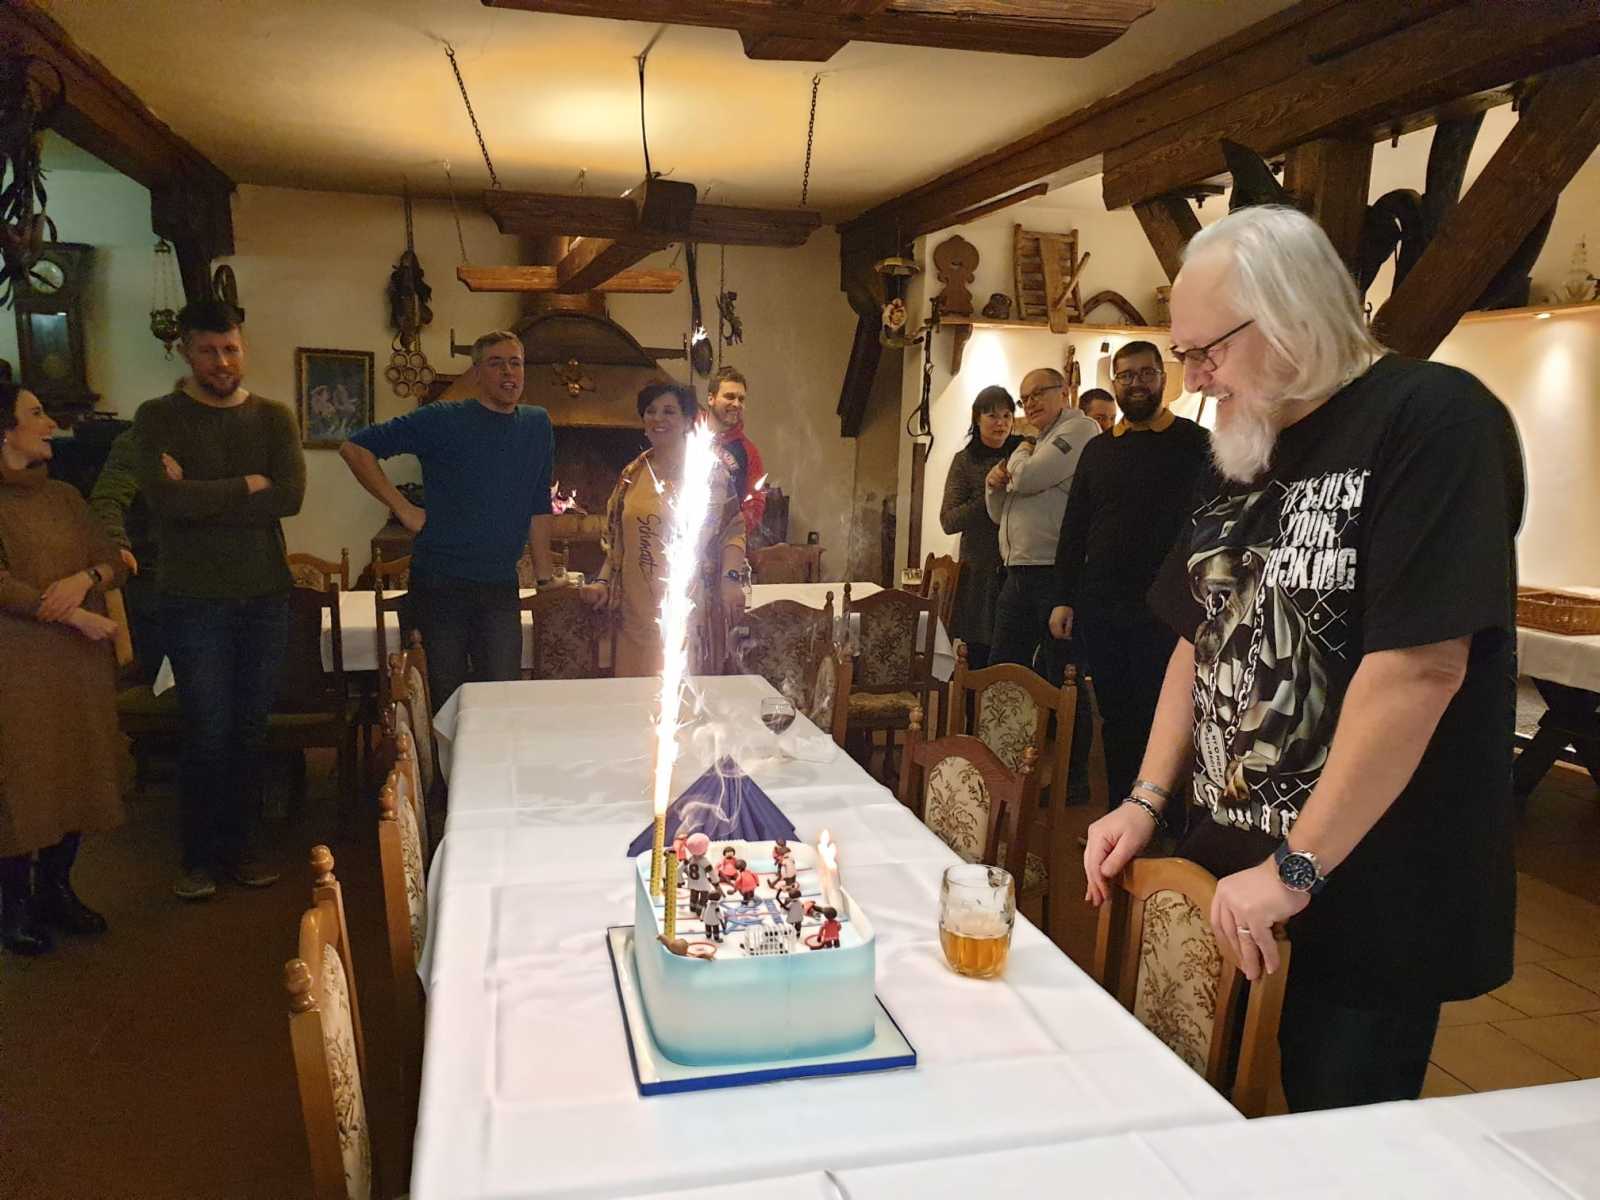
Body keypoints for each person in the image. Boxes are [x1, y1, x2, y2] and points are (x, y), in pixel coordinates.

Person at [1082, 205, 1521, 1112]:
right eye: (1184, 354)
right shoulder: (1243, 443)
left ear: (1292, 311)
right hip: (1227, 871)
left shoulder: (1433, 419)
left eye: (1208, 351)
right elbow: (1195, 636)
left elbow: (1421, 669)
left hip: (1366, 891)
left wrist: (1296, 866)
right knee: (1201, 1114)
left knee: (1336, 1136)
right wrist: (1145, 798)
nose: (1195, 381)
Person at [134, 300, 306, 900]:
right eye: (208, 350)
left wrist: (200, 494)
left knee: (250, 730)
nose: (222, 361)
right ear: (186, 351)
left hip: (265, 596)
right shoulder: (158, 416)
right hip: (192, 599)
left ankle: (243, 849)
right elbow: (162, 502)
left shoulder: (274, 418)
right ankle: (198, 858)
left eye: (230, 348)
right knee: (206, 729)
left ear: (243, 348)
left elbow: (289, 498)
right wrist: (246, 486)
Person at [341, 330, 559, 709]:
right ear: (476, 373)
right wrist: (403, 509)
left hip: (499, 587)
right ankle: (443, 753)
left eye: (515, 363)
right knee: (444, 699)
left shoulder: (536, 424)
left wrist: (544, 578)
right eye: (496, 363)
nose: (508, 372)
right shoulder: (442, 419)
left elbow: (538, 504)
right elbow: (355, 448)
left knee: (502, 698)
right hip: (440, 586)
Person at [1050, 342, 1209, 808]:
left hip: (1171, 608)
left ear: (1163, 378)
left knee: (1168, 717)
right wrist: (1063, 596)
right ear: (1115, 383)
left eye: (1146, 374)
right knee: (1116, 718)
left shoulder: (1196, 443)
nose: (1136, 384)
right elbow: (1074, 526)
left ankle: (1166, 822)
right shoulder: (1098, 450)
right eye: (1126, 376)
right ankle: (1120, 816)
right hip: (1103, 606)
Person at [0, 385, 127, 953]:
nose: (50, 423)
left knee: (76, 770)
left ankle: (56, 889)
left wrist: (86, 579)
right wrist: (72, 613)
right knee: (22, 780)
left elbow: (112, 559)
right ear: (5, 430)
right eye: (36, 414)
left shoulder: (66, 498)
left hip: (76, 666)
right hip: (18, 666)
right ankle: (13, 907)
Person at [580, 382, 746, 677]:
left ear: (687, 420)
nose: (658, 418)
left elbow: (733, 528)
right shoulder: (632, 474)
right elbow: (618, 542)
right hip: (633, 619)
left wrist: (730, 578)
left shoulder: (708, 474)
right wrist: (602, 582)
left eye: (669, 411)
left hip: (690, 617)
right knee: (633, 699)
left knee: (681, 698)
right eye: (651, 411)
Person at [985, 367, 1100, 683]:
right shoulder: (1040, 441)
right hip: (1017, 571)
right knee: (1003, 672)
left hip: (1053, 572)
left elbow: (1026, 477)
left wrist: (1021, 450)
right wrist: (992, 484)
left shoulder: (1079, 429)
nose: (1031, 403)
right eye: (1024, 399)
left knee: (1061, 675)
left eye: (1038, 393)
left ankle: (1064, 720)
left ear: (1063, 392)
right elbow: (998, 513)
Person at [939, 386, 1022, 670]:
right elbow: (949, 520)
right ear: (977, 418)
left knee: (1016, 655)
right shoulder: (965, 461)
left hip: (1019, 566)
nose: (1001, 423)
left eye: (1007, 416)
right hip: (981, 573)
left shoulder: (1024, 453)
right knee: (980, 655)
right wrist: (989, 493)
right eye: (992, 416)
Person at [88, 425, 164, 681]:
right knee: (165, 682)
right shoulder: (142, 439)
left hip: (223, 580)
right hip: (157, 576)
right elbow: (107, 499)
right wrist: (116, 543)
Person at [704, 366, 766, 538]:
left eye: (741, 399)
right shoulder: (688, 431)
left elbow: (755, 503)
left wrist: (731, 535)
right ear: (711, 398)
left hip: (722, 543)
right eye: (730, 396)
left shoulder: (749, 451)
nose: (737, 404)